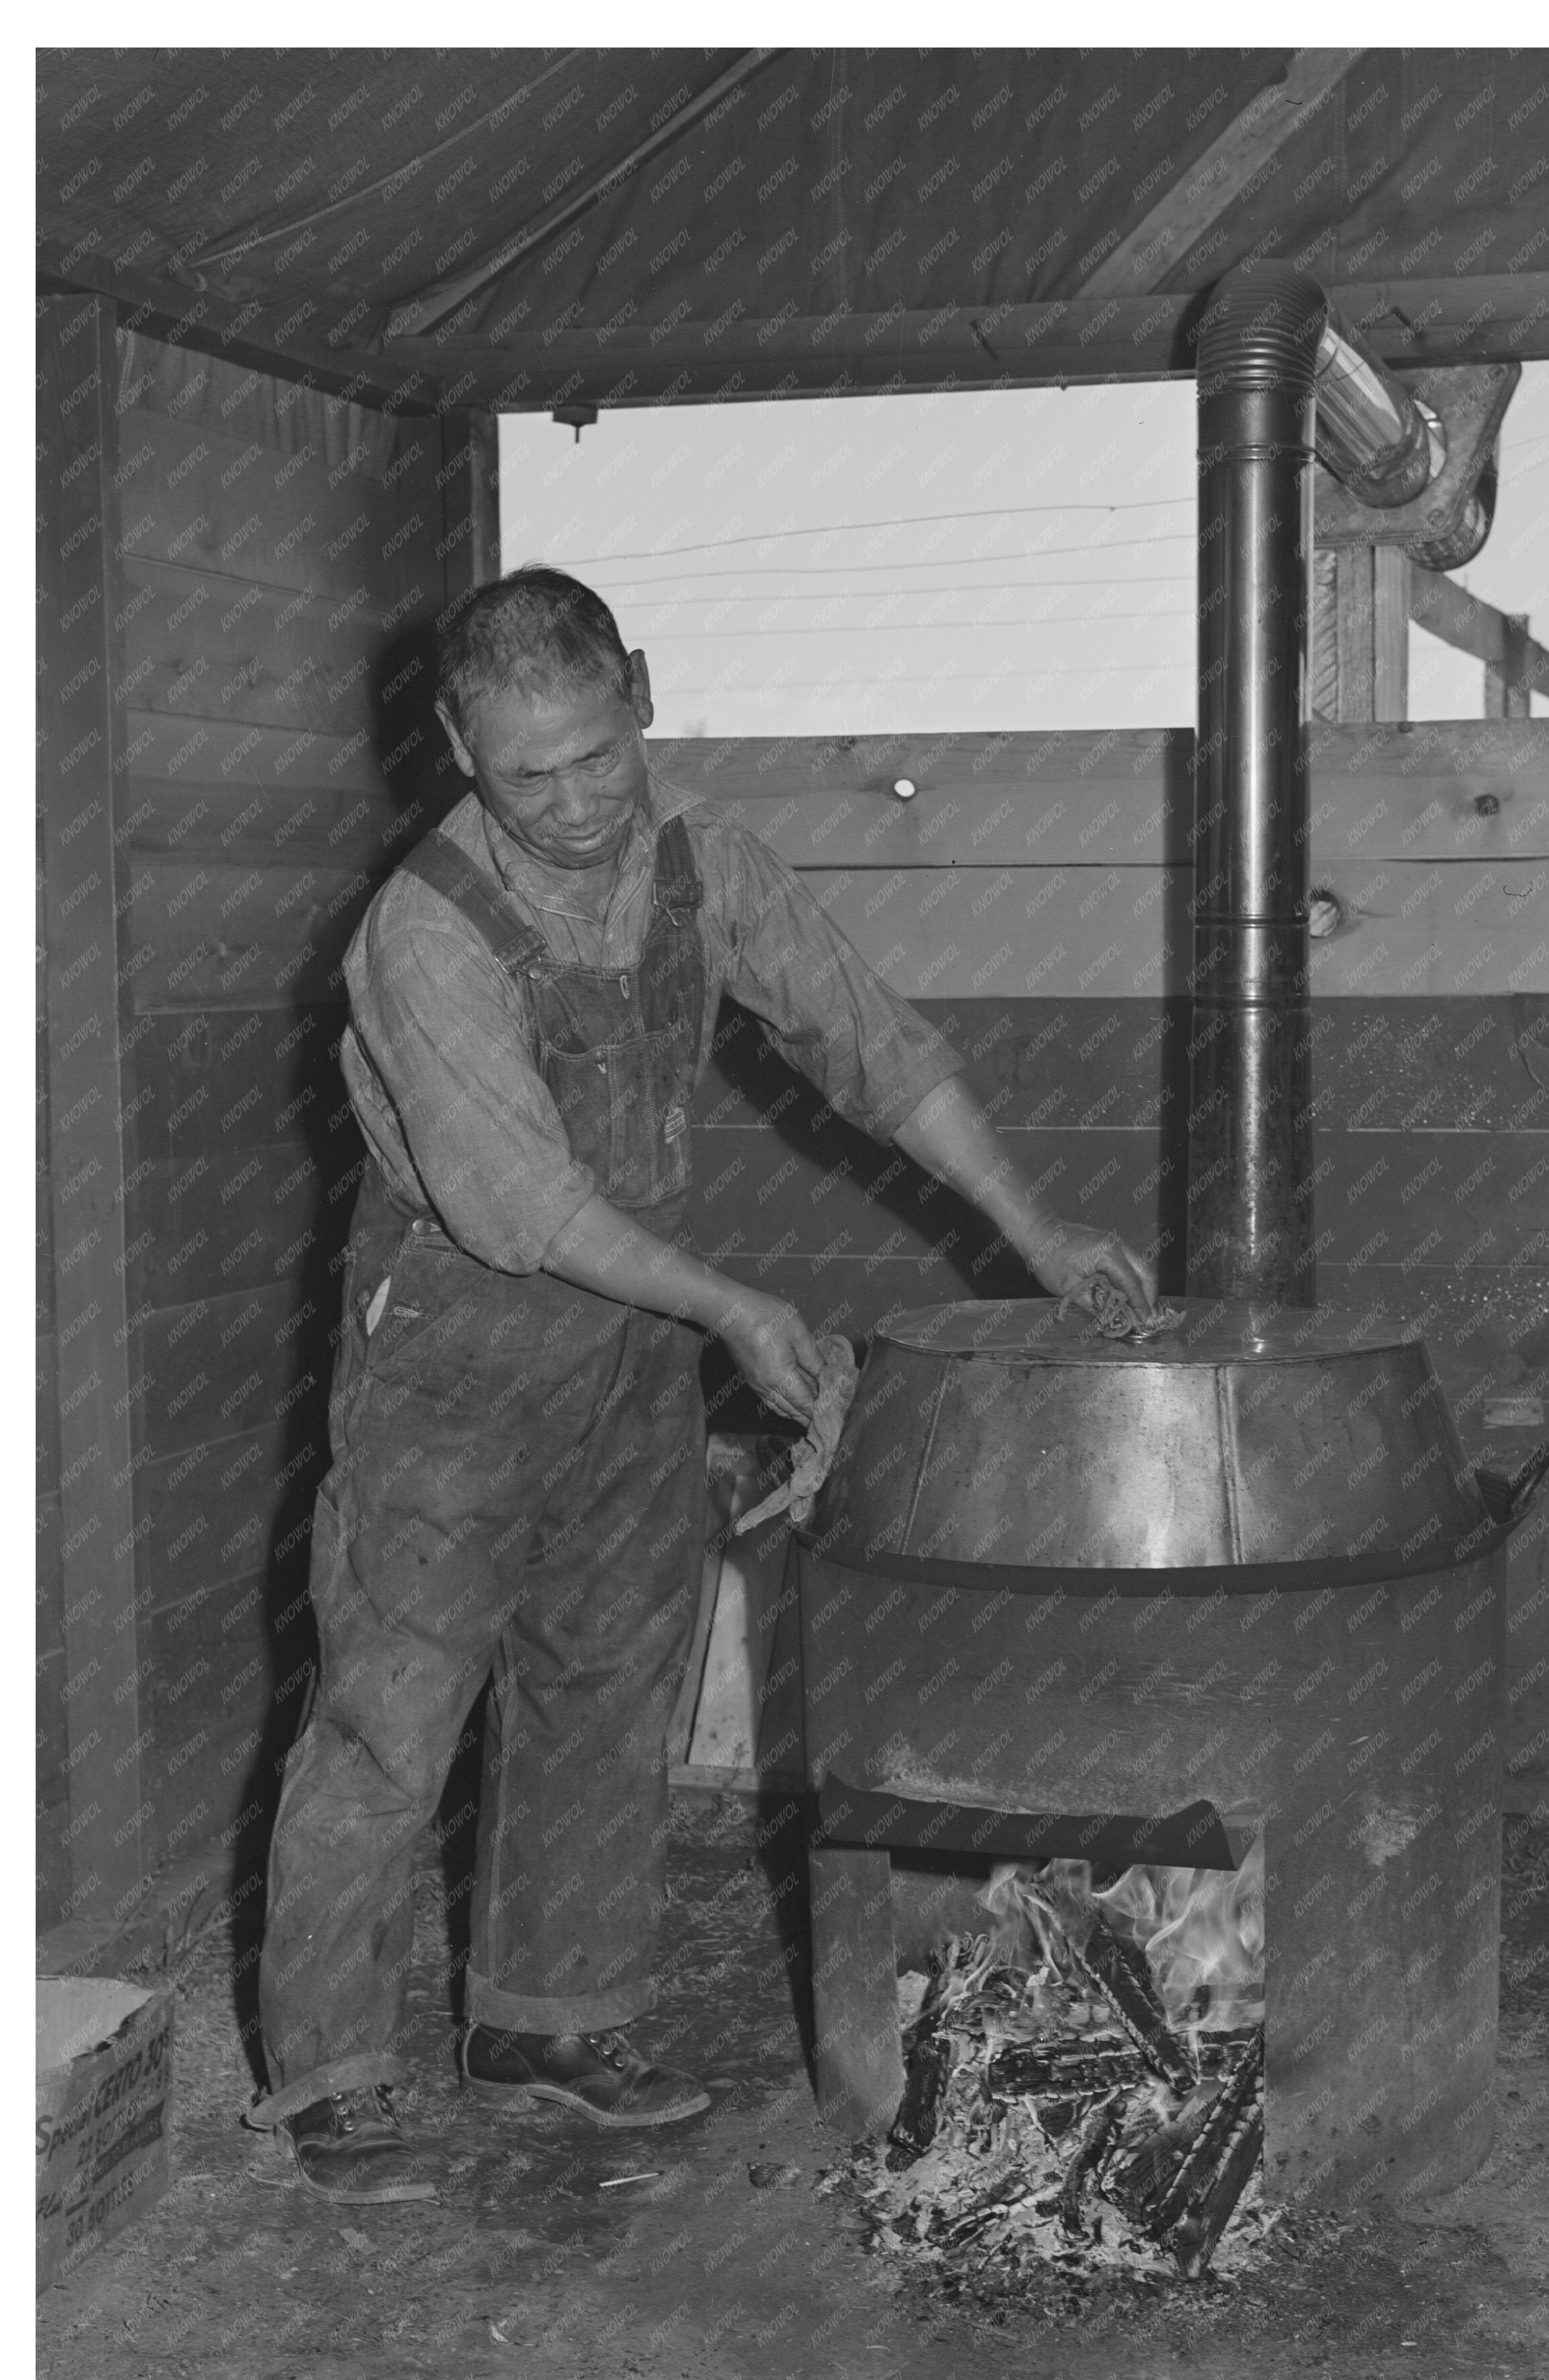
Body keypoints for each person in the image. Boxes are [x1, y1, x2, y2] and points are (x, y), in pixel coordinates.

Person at [250, 567, 1156, 2199]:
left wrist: (1033, 1225)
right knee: (392, 1705)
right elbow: (517, 1203)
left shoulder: (707, 863)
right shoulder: (424, 932)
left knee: (609, 1676)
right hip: (454, 1339)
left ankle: (546, 2023)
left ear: (642, 696)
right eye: (524, 775)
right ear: (457, 746)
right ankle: (329, 2072)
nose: (575, 805)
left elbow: (868, 1046)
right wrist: (742, 1312)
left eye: (596, 756)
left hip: (630, 1334)